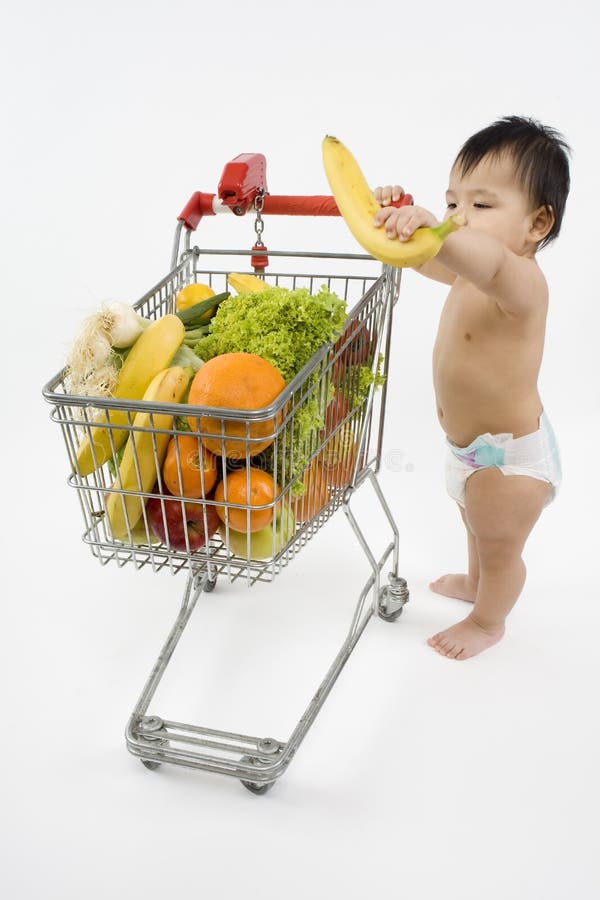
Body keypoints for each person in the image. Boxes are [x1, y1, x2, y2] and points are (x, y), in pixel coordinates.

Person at [374, 115, 570, 660]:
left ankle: (488, 622)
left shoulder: (520, 281)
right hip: (470, 450)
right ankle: (474, 578)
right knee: (475, 523)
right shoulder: (467, 263)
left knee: (500, 544)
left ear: (536, 224)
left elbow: (477, 258)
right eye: (454, 202)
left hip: (511, 460)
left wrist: (437, 227)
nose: (461, 218)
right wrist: (389, 219)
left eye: (481, 206)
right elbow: (426, 258)